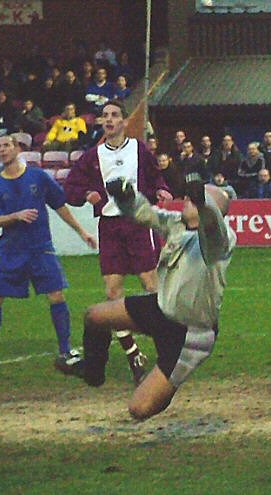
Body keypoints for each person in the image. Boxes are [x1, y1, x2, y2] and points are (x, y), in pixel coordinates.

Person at [78, 174, 235, 420]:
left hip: (190, 332)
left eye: (192, 201)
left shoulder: (219, 240)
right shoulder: (177, 224)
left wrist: (203, 202)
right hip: (161, 308)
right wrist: (124, 195)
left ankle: (165, 389)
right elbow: (144, 214)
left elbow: (212, 224)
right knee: (94, 316)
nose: (186, 201)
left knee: (139, 409)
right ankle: (93, 373)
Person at [64, 100, 172, 385]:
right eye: (105, 116)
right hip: (110, 227)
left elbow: (155, 175)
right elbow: (71, 188)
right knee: (113, 292)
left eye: (114, 115)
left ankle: (169, 350)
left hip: (138, 223)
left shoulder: (139, 150)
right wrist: (86, 194)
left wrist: (161, 188)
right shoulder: (92, 156)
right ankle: (133, 353)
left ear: (124, 122)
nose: (109, 120)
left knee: (151, 285)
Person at [0, 135, 97, 369]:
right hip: (10, 250)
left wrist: (82, 232)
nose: (2, 150)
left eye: (6, 145)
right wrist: (16, 216)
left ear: (17, 148)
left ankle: (66, 349)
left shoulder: (38, 177)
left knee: (56, 295)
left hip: (40, 247)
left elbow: (59, 205)